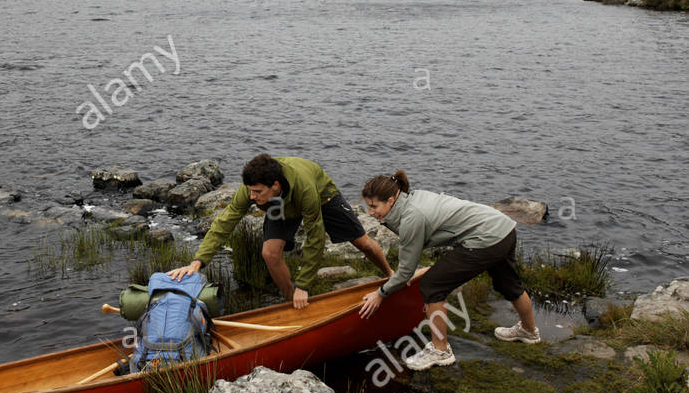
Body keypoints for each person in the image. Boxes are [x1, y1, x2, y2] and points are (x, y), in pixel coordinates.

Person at [357, 170, 540, 370]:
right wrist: (402, 276)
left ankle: (440, 350)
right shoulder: (412, 199)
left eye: (374, 206)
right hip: (503, 229)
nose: (371, 212)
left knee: (432, 285)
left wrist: (380, 294)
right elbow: (409, 262)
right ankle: (529, 331)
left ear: (391, 200)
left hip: (485, 239)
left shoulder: (411, 217)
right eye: (368, 207)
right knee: (507, 283)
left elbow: (406, 271)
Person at [169, 153, 393, 309]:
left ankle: (391, 276)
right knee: (269, 253)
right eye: (250, 192)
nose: (253, 198)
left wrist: (304, 283)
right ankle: (293, 300)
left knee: (362, 243)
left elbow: (315, 238)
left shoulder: (305, 188)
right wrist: (198, 261)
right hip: (279, 205)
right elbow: (224, 223)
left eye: (258, 192)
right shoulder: (252, 191)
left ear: (275, 184)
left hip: (322, 195)